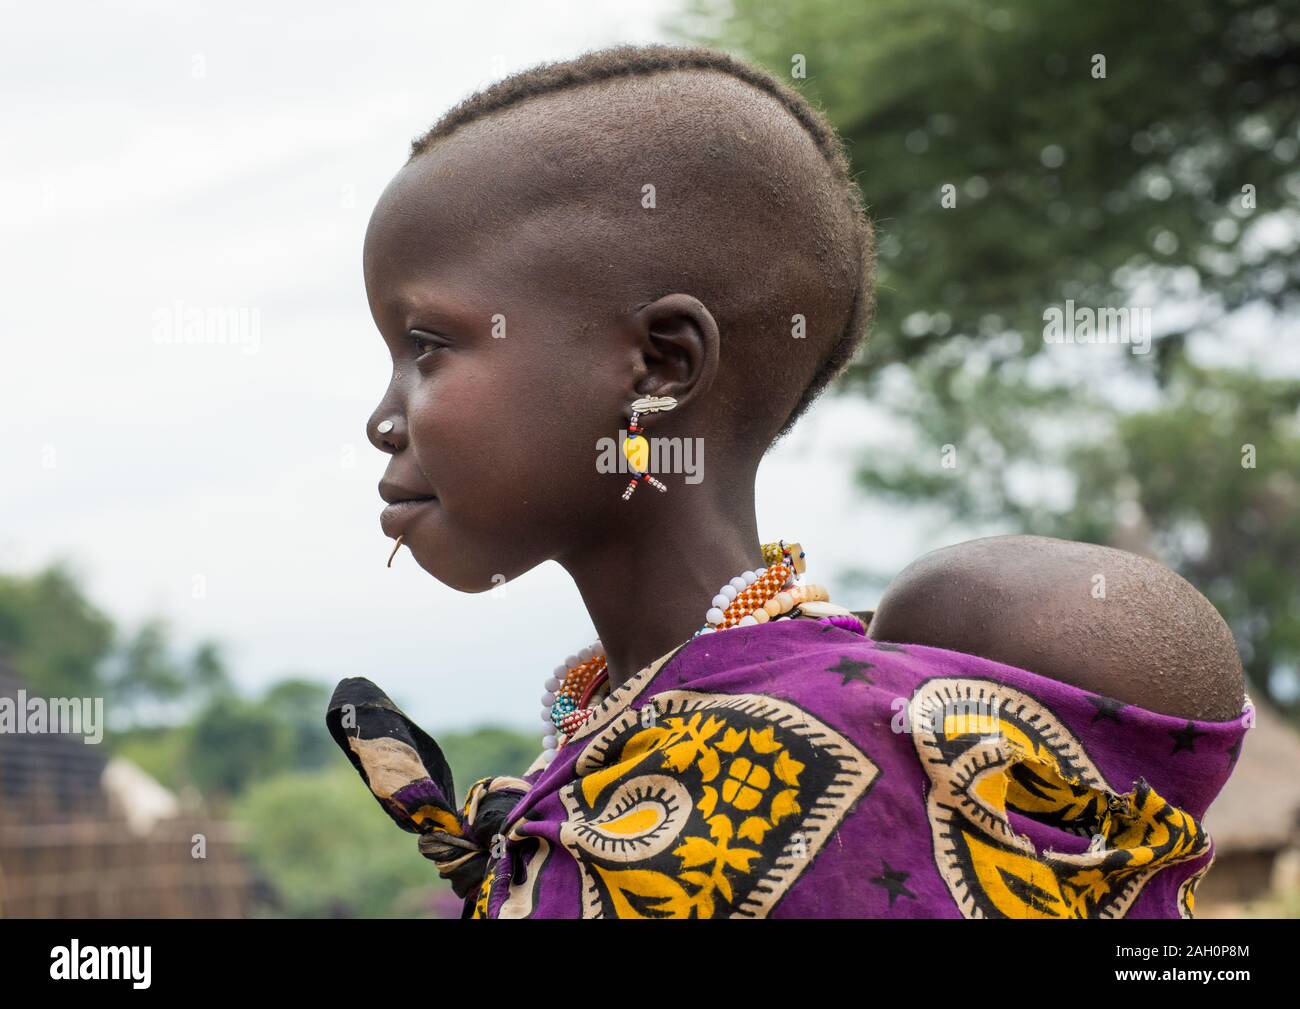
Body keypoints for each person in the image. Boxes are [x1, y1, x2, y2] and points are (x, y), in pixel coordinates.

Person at [327, 44, 1249, 918]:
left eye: (427, 347)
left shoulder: (818, 754)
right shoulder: (611, 751)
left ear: (658, 366)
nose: (383, 416)